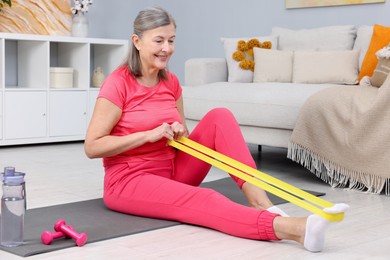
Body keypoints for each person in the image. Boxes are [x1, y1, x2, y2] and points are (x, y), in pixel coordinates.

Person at [84, 7, 349, 253]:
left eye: (172, 40)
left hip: (173, 169)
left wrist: (177, 131)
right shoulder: (118, 83)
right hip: (130, 181)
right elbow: (92, 146)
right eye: (159, 41)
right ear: (137, 41)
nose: (167, 48)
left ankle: (264, 205)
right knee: (207, 198)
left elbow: (184, 136)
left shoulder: (171, 82)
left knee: (220, 116)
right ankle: (296, 230)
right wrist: (148, 135)